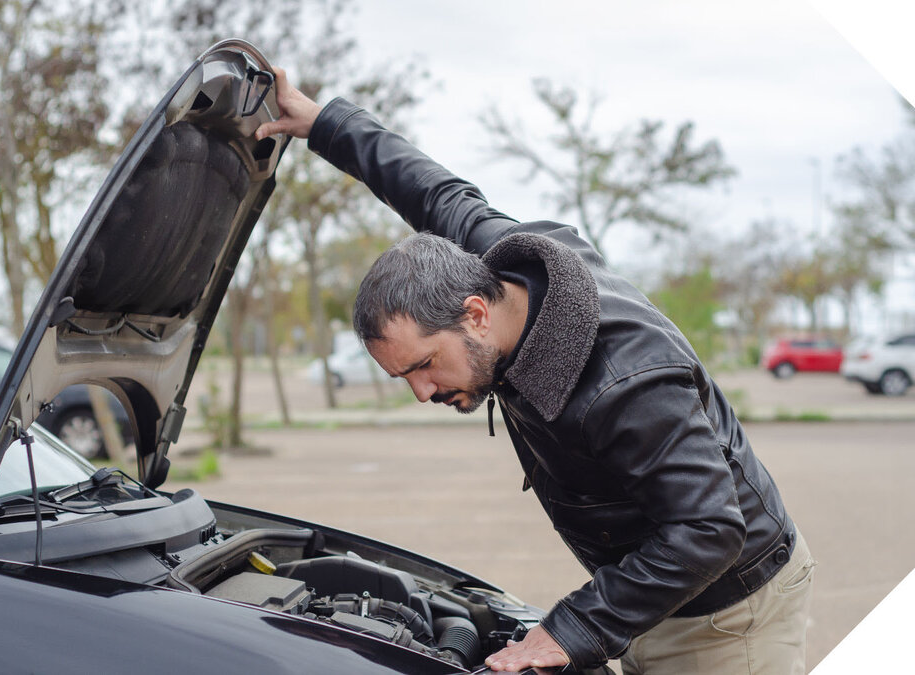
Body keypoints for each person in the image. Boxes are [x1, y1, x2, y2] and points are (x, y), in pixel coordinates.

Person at [256, 69, 816, 674]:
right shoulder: (497, 266)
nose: (421, 392)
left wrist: (574, 628)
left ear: (474, 314)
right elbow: (433, 192)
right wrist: (325, 123)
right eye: (404, 378)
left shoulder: (625, 381)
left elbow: (708, 527)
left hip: (730, 616)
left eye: (423, 366)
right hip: (654, 596)